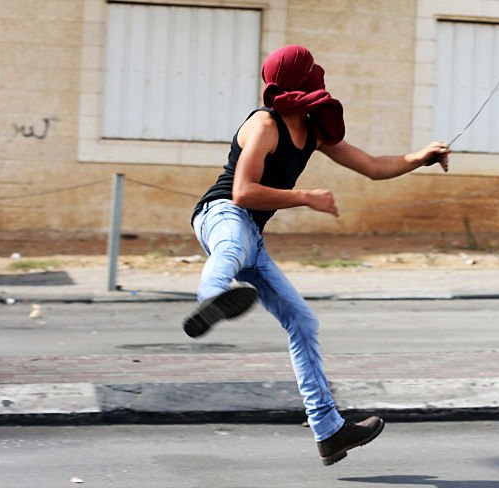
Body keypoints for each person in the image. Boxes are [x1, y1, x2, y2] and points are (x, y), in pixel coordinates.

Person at [184, 45, 450, 465]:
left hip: (253, 233)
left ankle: (328, 431)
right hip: (221, 214)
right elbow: (242, 191)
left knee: (302, 321)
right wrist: (305, 196)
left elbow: (372, 165)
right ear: (305, 81)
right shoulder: (263, 124)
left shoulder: (313, 130)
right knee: (231, 245)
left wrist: (420, 158)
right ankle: (211, 299)